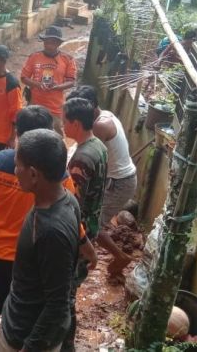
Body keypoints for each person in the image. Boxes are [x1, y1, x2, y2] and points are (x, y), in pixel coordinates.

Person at [0, 105, 94, 340]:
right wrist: (86, 247)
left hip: (0, 248)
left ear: (18, 133)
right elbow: (72, 216)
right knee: (28, 296)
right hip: (36, 253)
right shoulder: (59, 177)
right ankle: (22, 336)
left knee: (1, 285)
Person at [0, 129, 81, 352]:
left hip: (23, 337)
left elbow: (57, 305)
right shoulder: (68, 200)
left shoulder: (50, 232)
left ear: (33, 174)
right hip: (18, 320)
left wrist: (30, 348)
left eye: (17, 165)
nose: (15, 171)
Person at [67, 86, 137, 279]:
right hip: (118, 178)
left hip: (119, 183)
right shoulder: (104, 116)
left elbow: (82, 151)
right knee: (94, 222)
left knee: (92, 225)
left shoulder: (99, 126)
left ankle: (119, 257)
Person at [61, 98, 108, 352]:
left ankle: (65, 343)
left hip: (80, 231)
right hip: (92, 222)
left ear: (76, 123)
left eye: (64, 120)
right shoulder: (98, 145)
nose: (62, 124)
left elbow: (71, 203)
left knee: (66, 294)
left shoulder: (81, 159)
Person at [20, 26, 77, 136]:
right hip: (35, 105)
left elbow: (71, 81)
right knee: (30, 135)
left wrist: (58, 87)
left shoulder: (67, 59)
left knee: (55, 137)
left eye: (52, 42)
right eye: (47, 42)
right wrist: (37, 84)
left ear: (58, 44)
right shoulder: (34, 57)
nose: (49, 45)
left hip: (55, 108)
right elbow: (24, 78)